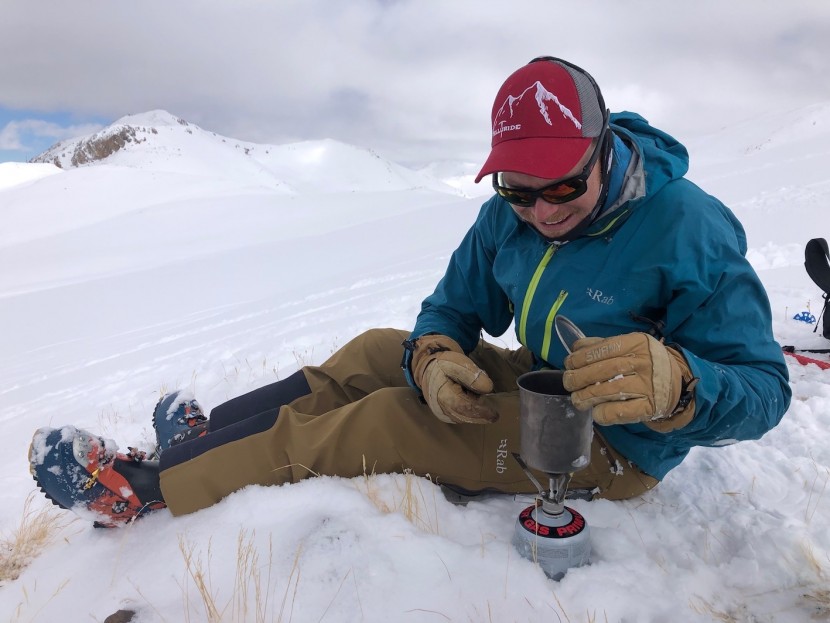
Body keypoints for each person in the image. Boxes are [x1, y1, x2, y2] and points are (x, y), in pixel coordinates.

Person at [30, 56, 791, 527]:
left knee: (385, 419)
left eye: (563, 185)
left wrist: (682, 384)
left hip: (613, 448)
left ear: (605, 150)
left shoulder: (688, 228)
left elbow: (765, 388)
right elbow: (452, 309)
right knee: (373, 355)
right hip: (539, 383)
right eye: (520, 191)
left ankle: (152, 485)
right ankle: (198, 443)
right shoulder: (510, 217)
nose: (543, 209)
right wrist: (431, 353)